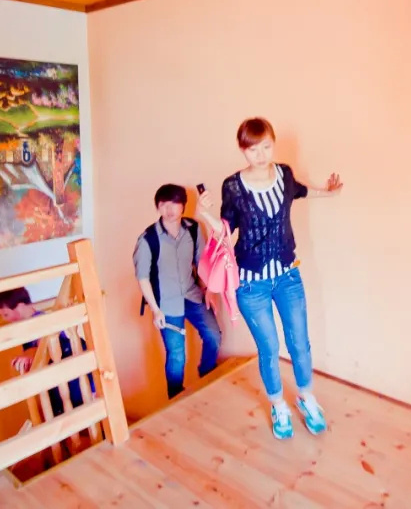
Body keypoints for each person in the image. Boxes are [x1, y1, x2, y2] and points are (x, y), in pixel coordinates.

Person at [197, 117, 342, 439]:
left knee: (299, 341)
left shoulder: (284, 174)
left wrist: (328, 192)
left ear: (273, 144)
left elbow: (301, 191)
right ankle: (278, 405)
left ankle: (306, 398)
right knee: (269, 347)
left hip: (288, 276)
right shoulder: (233, 186)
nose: (260, 155)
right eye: (253, 149)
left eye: (266, 147)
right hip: (252, 285)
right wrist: (205, 213)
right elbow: (225, 231)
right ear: (242, 150)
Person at [134, 183, 222, 399]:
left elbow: (202, 262)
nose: (170, 209)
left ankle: (207, 376)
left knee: (213, 335)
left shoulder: (193, 229)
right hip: (166, 303)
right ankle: (175, 398)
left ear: (183, 205)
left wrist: (209, 290)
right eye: (164, 204)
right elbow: (142, 277)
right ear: (158, 207)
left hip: (192, 294)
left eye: (175, 204)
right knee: (176, 355)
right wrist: (155, 310)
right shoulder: (148, 239)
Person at [0, 287, 95, 418]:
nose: (5, 319)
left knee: (77, 406)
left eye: (6, 314)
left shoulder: (40, 321)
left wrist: (30, 353)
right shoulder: (27, 328)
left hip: (70, 375)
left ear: (20, 306)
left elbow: (44, 344)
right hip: (57, 377)